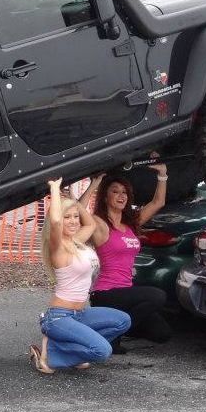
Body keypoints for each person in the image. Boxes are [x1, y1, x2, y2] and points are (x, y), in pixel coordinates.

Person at [29, 177, 131, 374]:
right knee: (102, 351)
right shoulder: (57, 247)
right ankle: (50, 354)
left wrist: (76, 202)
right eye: (68, 217)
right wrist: (55, 189)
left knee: (123, 320)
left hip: (79, 314)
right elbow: (56, 222)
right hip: (58, 317)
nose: (74, 221)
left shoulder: (77, 241)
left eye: (75, 217)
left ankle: (63, 351)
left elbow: (90, 224)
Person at [79, 159, 172, 352]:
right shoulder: (100, 224)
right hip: (105, 294)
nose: (121, 195)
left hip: (126, 292)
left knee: (162, 334)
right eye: (115, 191)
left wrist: (162, 174)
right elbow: (79, 211)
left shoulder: (132, 223)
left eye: (124, 192)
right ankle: (111, 335)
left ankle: (109, 330)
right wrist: (95, 184)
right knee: (157, 296)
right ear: (105, 197)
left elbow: (158, 202)